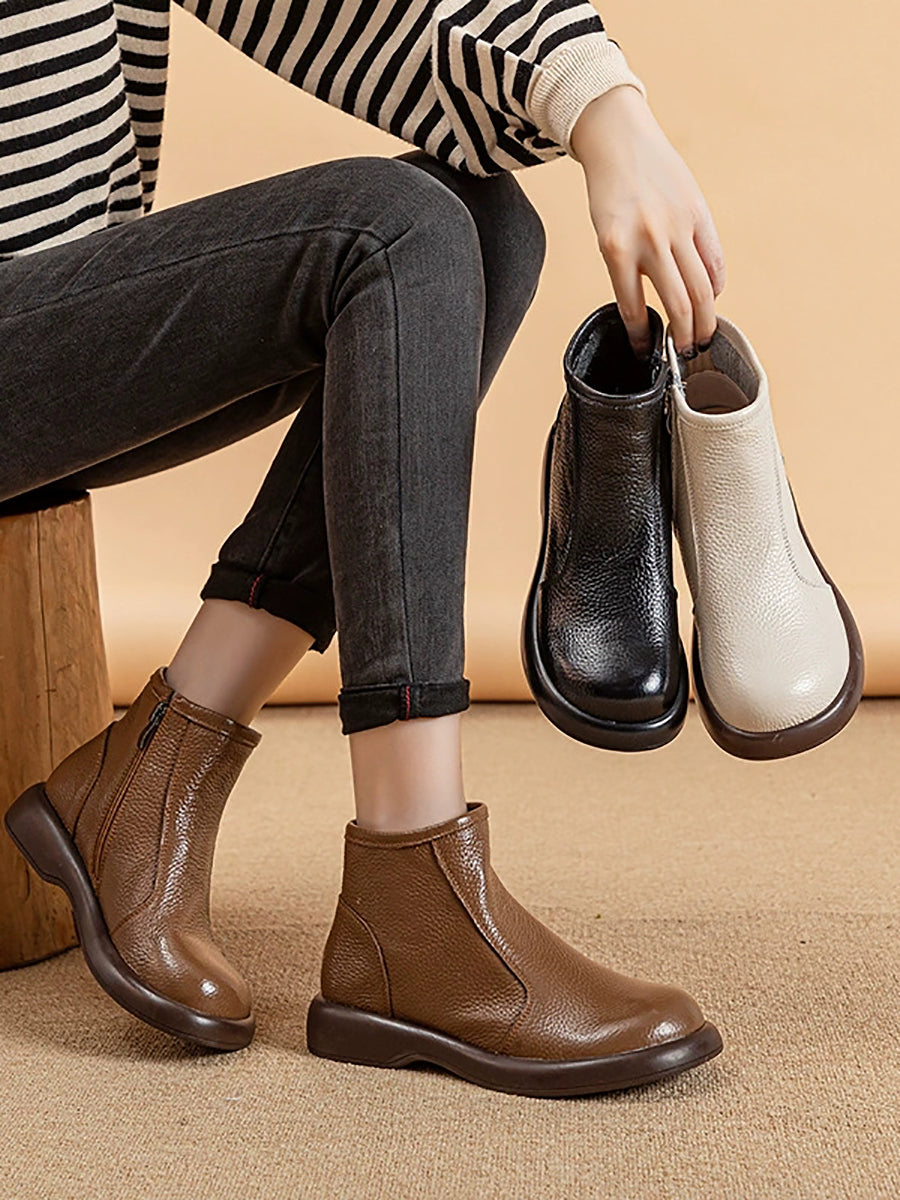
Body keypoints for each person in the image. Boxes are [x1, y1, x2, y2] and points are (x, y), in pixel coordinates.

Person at [1, 1, 725, 1095]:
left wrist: (601, 108)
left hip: (45, 305)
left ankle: (157, 767)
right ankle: (411, 876)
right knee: (391, 232)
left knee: (476, 222)